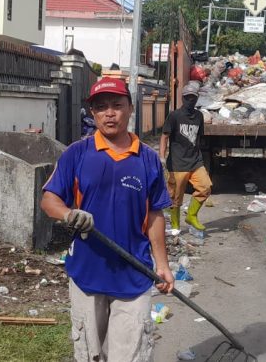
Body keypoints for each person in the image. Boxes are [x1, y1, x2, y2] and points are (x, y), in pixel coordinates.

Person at [41, 77, 174, 362]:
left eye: (117, 105)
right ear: (93, 113)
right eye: (101, 108)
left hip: (134, 274)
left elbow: (155, 215)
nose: (109, 113)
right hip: (87, 274)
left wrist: (162, 264)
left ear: (130, 109)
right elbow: (49, 200)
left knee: (129, 355)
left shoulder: (148, 160)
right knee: (90, 355)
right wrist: (69, 214)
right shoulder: (77, 154)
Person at [159, 83, 212, 233]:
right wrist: (162, 157)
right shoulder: (174, 116)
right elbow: (164, 137)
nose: (190, 100)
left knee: (205, 187)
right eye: (187, 98)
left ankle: (192, 215)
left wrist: (200, 156)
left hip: (195, 161)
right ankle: (175, 225)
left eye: (193, 98)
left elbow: (198, 138)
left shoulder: (199, 116)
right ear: (183, 98)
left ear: (197, 99)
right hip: (177, 164)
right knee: (175, 198)